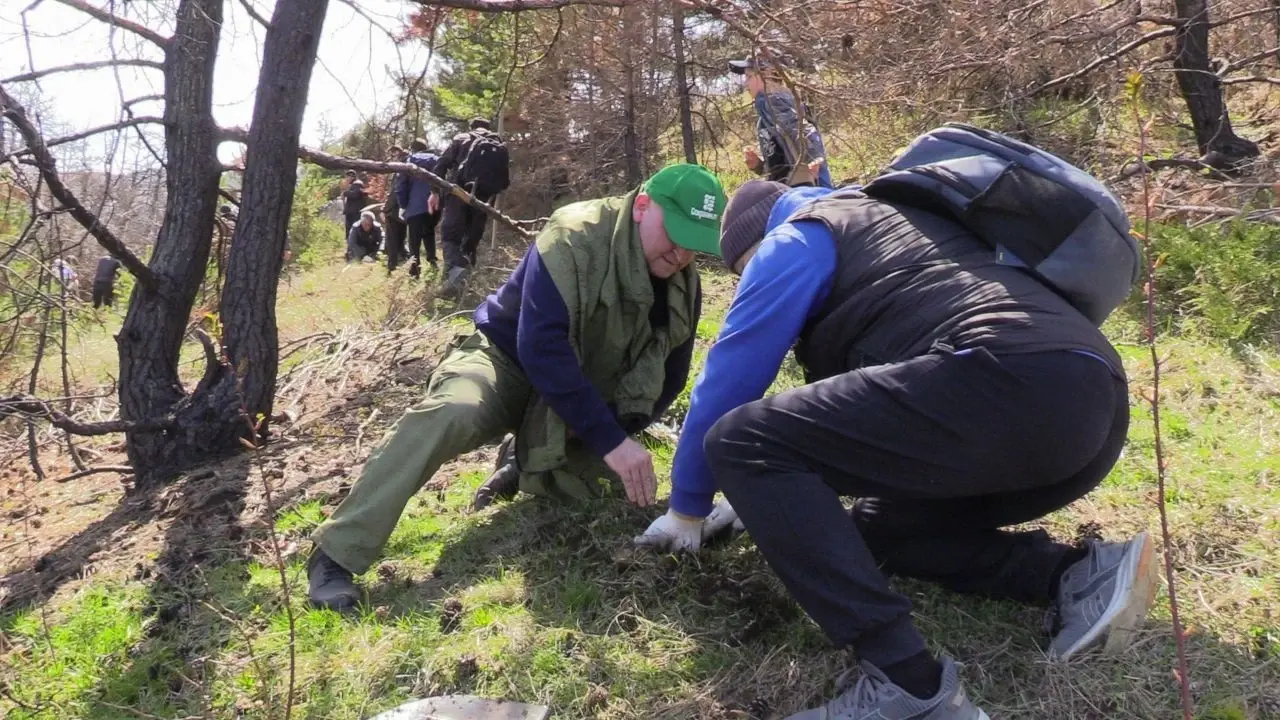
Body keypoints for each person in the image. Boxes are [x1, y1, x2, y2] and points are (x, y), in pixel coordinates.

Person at [637, 180, 1160, 720]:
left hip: (1008, 384)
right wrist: (773, 496)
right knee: (879, 529)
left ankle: (908, 686)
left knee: (740, 439)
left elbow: (729, 383)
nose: (750, 283)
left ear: (754, 245)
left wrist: (688, 506)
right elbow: (877, 424)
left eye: (744, 273)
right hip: (1088, 406)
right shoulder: (892, 221)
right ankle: (1074, 575)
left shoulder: (797, 237)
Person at [307, 164, 727, 611]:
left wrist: (622, 430)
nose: (682, 254)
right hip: (505, 361)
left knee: (594, 496)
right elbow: (541, 348)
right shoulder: (573, 234)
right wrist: (610, 441)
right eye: (676, 234)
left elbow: (671, 374)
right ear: (643, 206)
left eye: (694, 244)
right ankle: (336, 553)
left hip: (579, 389)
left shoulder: (682, 283)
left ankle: (522, 461)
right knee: (452, 411)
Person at [429, 118, 512, 293]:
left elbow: (441, 165)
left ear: (471, 127)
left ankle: (454, 280)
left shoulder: (461, 138)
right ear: (488, 129)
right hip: (483, 198)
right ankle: (464, 286)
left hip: (459, 193)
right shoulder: (497, 143)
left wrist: (435, 192)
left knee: (451, 236)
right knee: (471, 240)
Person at [728, 56, 832, 188]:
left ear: (767, 74)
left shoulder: (774, 102)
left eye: (749, 77)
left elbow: (807, 133)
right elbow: (779, 168)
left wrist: (815, 162)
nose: (745, 84)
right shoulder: (763, 118)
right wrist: (758, 166)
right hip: (785, 193)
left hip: (803, 193)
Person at [395, 139, 441, 278]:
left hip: (415, 206)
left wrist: (402, 205)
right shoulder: (437, 159)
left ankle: (414, 271)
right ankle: (432, 262)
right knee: (429, 232)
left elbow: (401, 186)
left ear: (413, 148)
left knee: (414, 239)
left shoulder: (409, 161)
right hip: (434, 204)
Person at [383, 146, 410, 273]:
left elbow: (396, 191)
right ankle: (401, 261)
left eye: (394, 154)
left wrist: (386, 209)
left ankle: (392, 266)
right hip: (404, 210)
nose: (392, 156)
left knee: (392, 239)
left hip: (394, 210)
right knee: (401, 237)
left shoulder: (401, 168)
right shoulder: (411, 165)